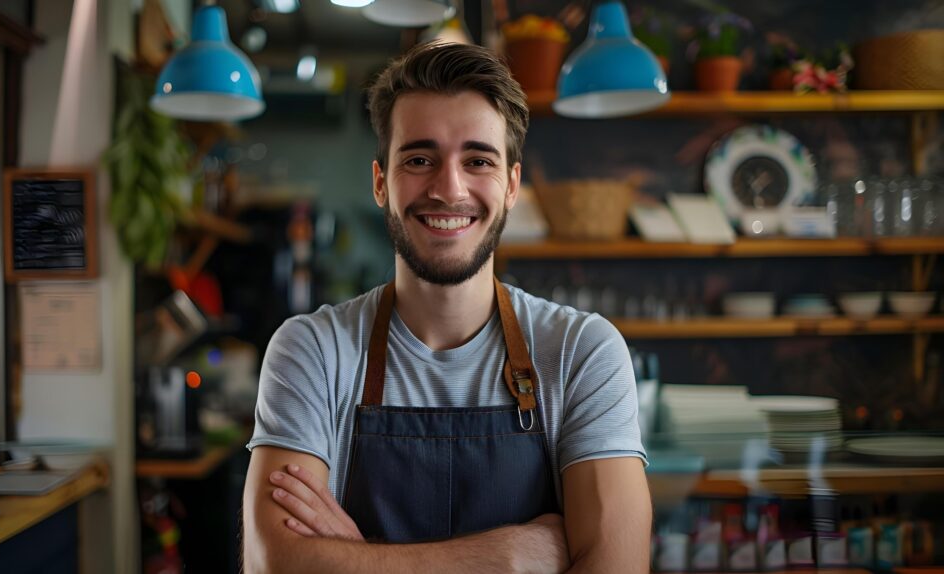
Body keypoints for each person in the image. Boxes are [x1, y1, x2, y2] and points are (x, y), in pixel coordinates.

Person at [242, 41, 651, 573]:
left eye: (478, 160)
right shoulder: (313, 350)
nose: (448, 188)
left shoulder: (580, 352)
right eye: (419, 159)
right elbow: (273, 563)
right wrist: (507, 556)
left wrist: (358, 560)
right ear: (380, 183)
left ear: (511, 185)